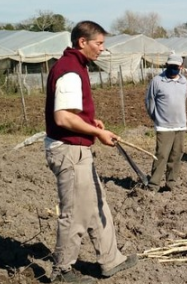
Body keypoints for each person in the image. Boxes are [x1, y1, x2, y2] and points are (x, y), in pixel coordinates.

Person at [44, 21, 137, 283]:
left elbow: (73, 113)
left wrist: (89, 122)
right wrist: (97, 133)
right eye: (99, 43)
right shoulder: (70, 70)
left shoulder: (76, 66)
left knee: (97, 206)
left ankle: (111, 260)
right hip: (69, 151)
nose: (102, 49)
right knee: (74, 213)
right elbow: (62, 118)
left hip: (77, 148)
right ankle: (62, 271)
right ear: (82, 42)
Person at [145, 54, 187, 192]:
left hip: (180, 125)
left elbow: (184, 99)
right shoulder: (157, 81)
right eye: (170, 66)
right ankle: (154, 185)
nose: (172, 69)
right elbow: (149, 102)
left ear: (181, 67)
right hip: (164, 126)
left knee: (176, 155)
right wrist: (157, 118)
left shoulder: (184, 82)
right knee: (162, 155)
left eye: (175, 67)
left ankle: (171, 184)